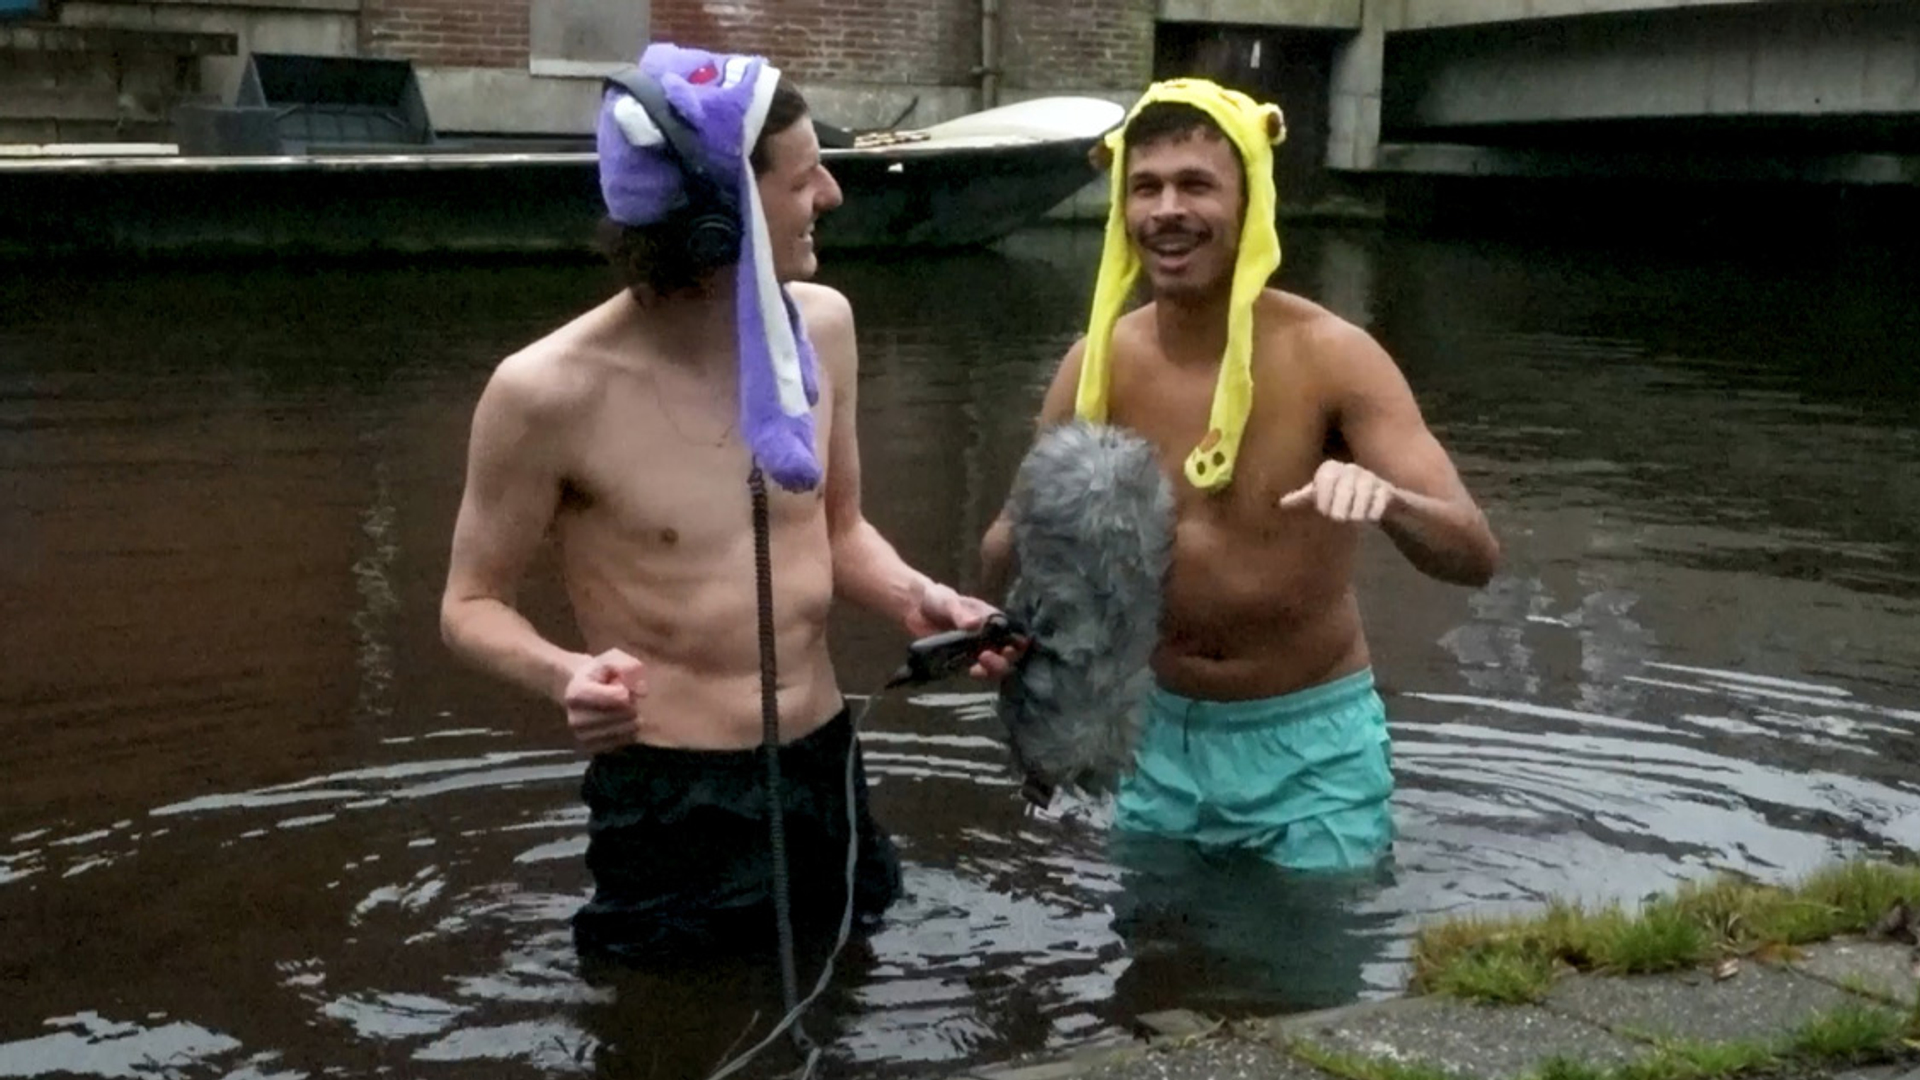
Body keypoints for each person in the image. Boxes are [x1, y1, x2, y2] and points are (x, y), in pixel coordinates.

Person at [439, 42, 1010, 965]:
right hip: (672, 796)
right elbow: (468, 605)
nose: (831, 194)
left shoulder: (823, 327)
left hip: (824, 764)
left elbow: (840, 529)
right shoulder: (546, 392)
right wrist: (562, 676)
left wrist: (924, 602)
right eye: (804, 176)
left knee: (842, 991)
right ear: (717, 216)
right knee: (664, 1027)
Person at [978, 77, 1500, 873]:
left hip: (1310, 747)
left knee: (1313, 977)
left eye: (1196, 185)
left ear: (1248, 202)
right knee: (1149, 975)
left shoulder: (1332, 356)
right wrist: (1023, 611)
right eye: (1145, 187)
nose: (1167, 211)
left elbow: (1473, 556)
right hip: (1154, 739)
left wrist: (1388, 500)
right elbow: (1003, 552)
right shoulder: (1097, 365)